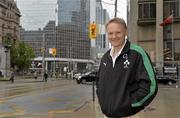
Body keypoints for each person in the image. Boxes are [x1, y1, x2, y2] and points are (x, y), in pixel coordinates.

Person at [96, 17, 158, 118]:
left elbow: (150, 86)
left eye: (118, 32)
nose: (114, 36)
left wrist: (130, 104)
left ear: (125, 32)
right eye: (110, 33)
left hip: (129, 114)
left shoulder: (137, 53)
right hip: (106, 115)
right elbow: (99, 82)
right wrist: (102, 101)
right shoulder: (105, 57)